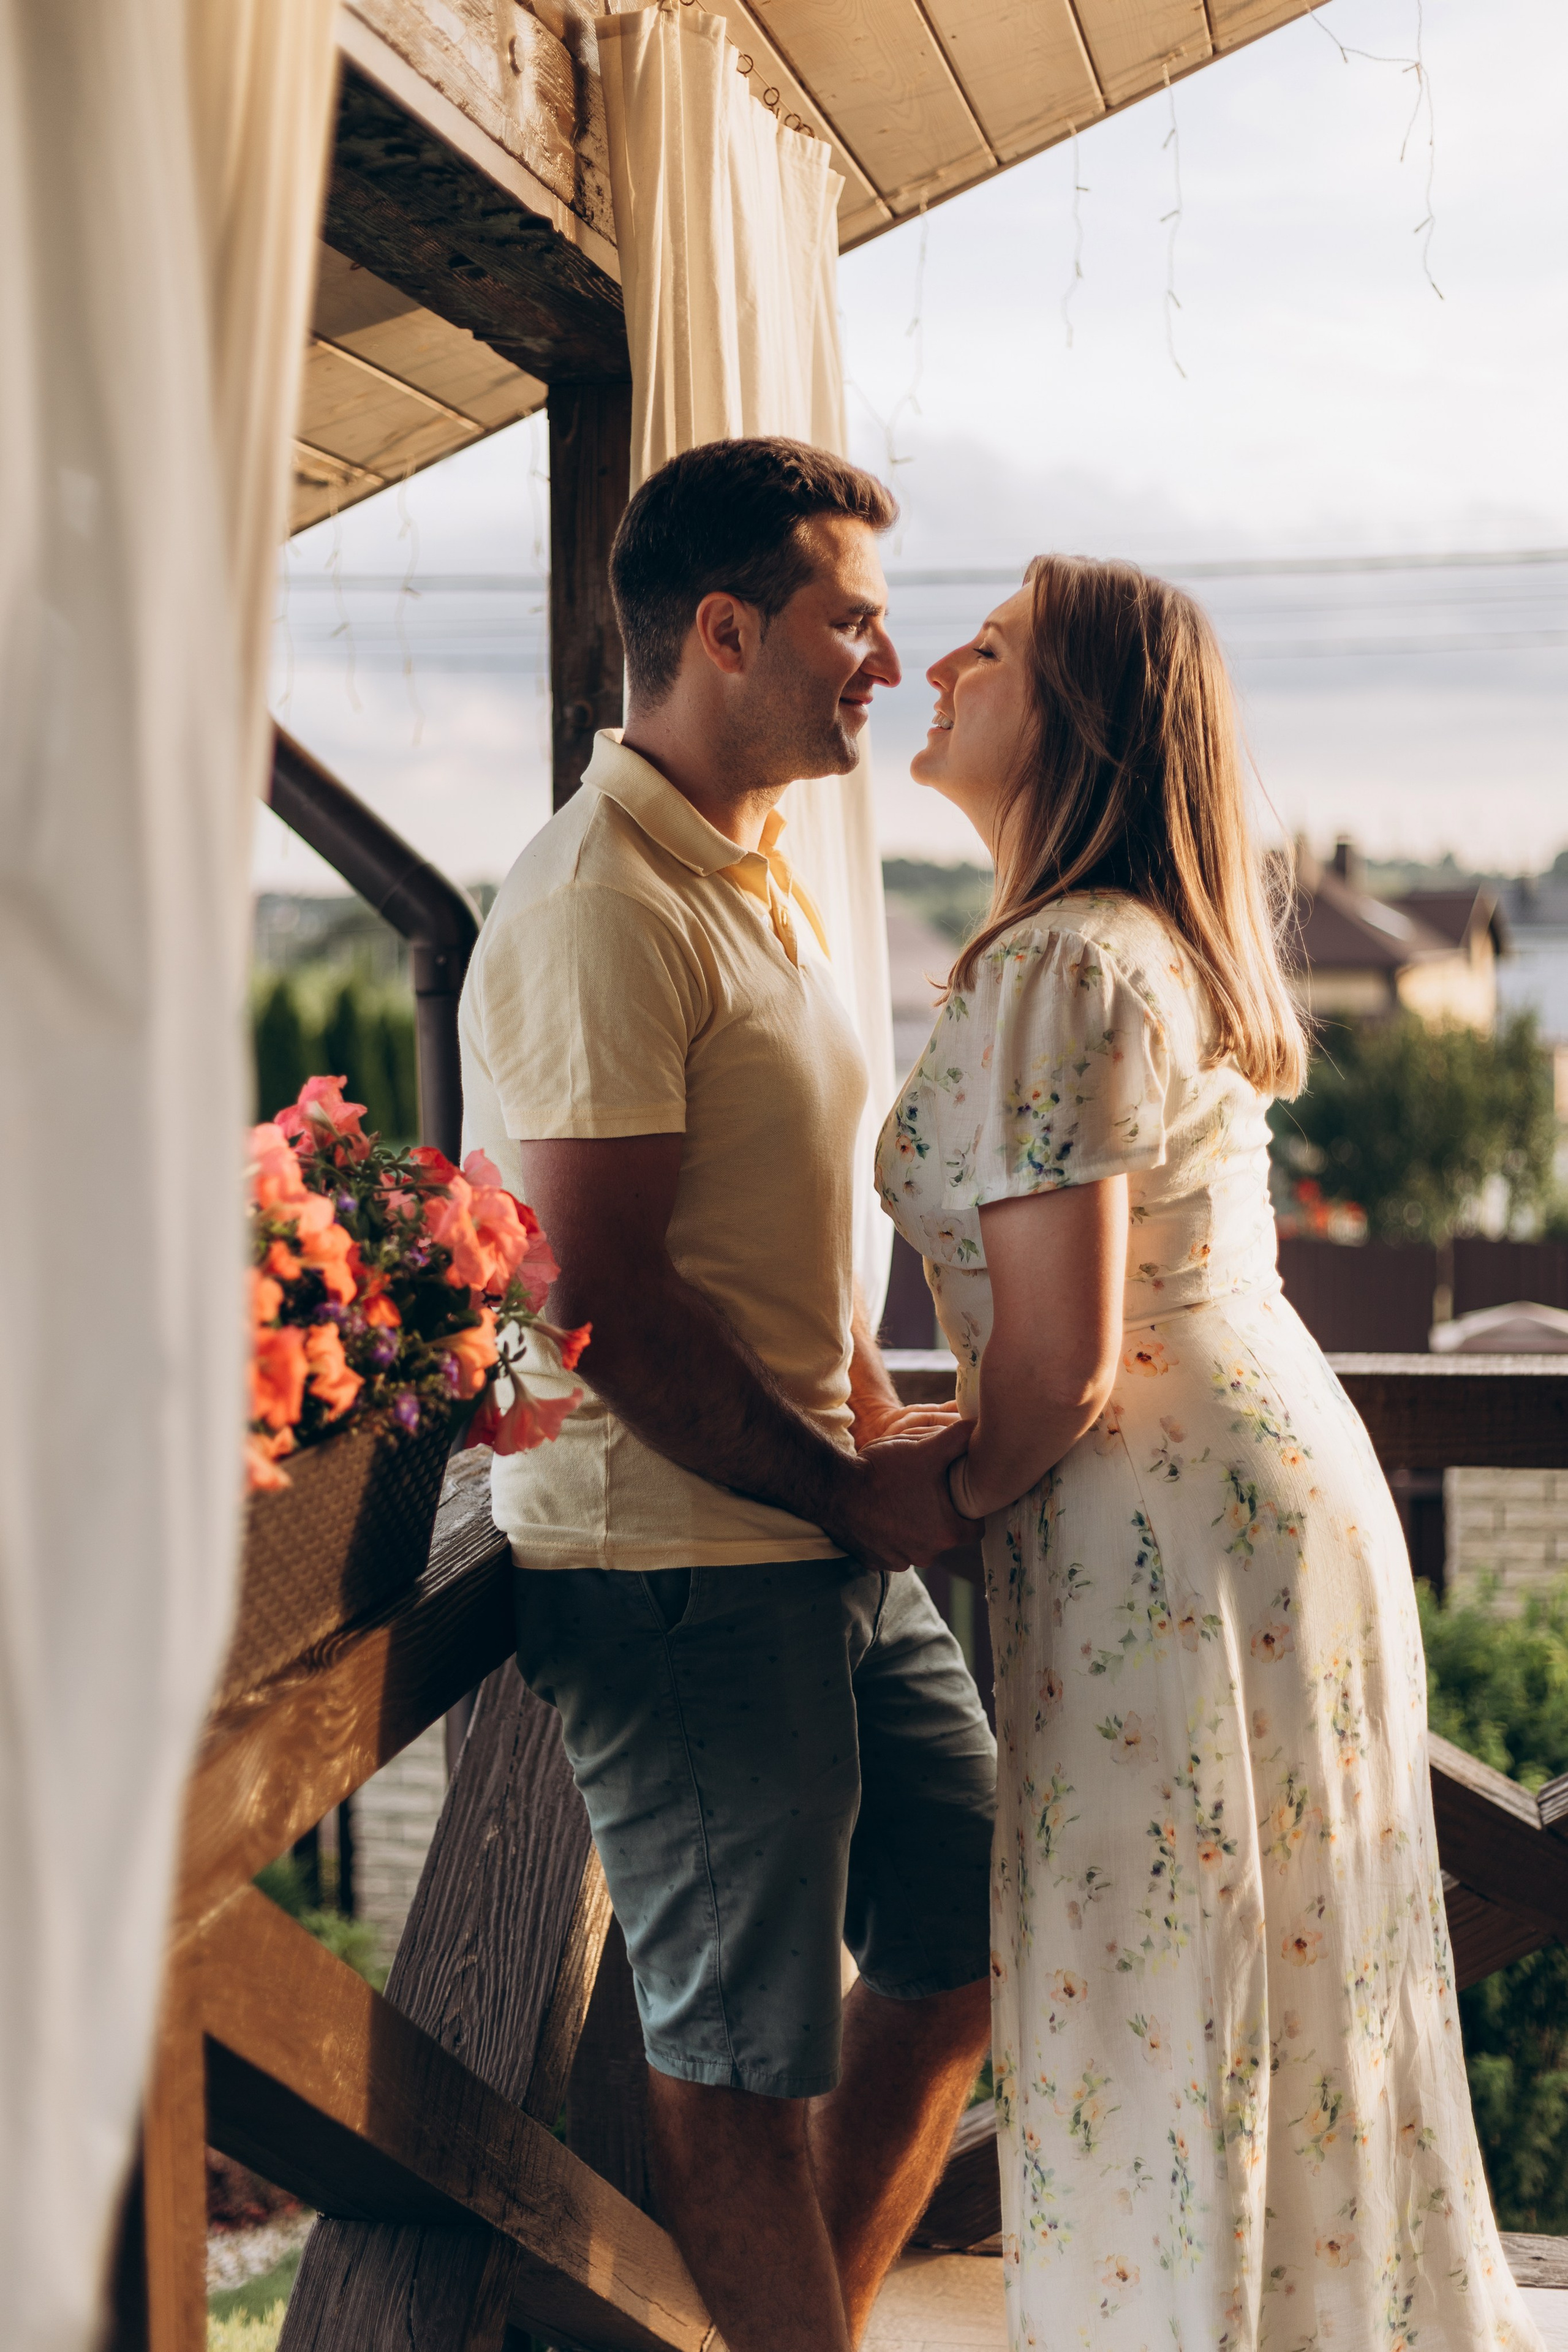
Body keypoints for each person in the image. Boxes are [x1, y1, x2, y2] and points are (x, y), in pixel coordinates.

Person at [876, 556, 1542, 2352]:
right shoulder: (1138, 947)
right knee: (1280, 1984)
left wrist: (918, 1491)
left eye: (993, 648)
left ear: (1074, 717)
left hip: (1163, 1542)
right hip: (1251, 1506)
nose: (939, 663)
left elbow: (1066, 1361)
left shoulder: (1059, 960)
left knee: (1159, 1987)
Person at [459, 437, 996, 2352]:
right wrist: (848, 1492)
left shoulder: (753, 874)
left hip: (803, 1521)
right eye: (850, 621)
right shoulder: (604, 901)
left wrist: (873, 1422)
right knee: (737, 2061)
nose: (882, 658)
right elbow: (601, 1293)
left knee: (971, 1923)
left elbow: (773, 1244)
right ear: (723, 627)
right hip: (679, 1565)